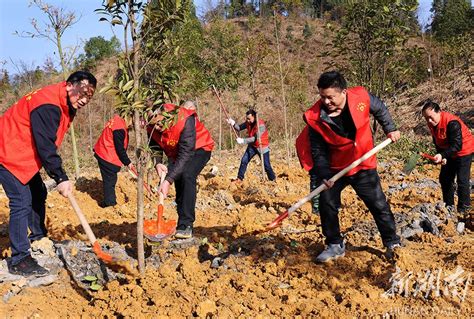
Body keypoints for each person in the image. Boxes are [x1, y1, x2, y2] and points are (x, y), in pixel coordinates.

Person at [297, 71, 401, 263]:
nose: (326, 101)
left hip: (363, 162)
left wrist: (390, 128)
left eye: (330, 97)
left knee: (378, 204)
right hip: (335, 168)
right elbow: (317, 149)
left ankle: (392, 242)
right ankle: (334, 245)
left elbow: (379, 109)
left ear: (344, 92)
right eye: (322, 97)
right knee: (327, 205)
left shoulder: (360, 97)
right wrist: (324, 174)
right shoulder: (314, 117)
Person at [0, 71, 97, 276]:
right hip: (6, 151)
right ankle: (20, 260)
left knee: (38, 192)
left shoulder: (62, 101)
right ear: (70, 85)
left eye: (89, 96)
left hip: (22, 154)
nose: (85, 99)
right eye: (83, 93)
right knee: (21, 200)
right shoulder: (49, 104)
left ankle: (38, 238)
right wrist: (60, 177)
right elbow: (46, 146)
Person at [148, 101, 214, 239]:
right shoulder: (150, 125)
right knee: (178, 179)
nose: (158, 128)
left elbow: (186, 154)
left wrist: (167, 181)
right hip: (176, 153)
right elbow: (154, 145)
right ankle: (181, 222)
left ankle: (186, 224)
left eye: (160, 124)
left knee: (187, 175)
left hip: (199, 147)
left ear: (166, 115)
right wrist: (158, 163)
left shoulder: (185, 119)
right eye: (154, 125)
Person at [421, 100, 473, 213]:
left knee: (462, 180)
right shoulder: (432, 124)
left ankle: (464, 209)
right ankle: (448, 207)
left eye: (430, 117)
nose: (429, 120)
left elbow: (457, 145)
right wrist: (442, 156)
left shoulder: (452, 123)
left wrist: (443, 154)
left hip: (464, 151)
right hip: (449, 152)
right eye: (426, 118)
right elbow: (437, 141)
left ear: (439, 112)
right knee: (445, 178)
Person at [93, 115, 134, 207]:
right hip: (107, 155)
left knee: (109, 180)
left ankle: (107, 201)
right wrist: (128, 162)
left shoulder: (118, 121)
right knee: (110, 181)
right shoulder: (119, 128)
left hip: (104, 151)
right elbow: (120, 149)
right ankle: (110, 204)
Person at [226, 110, 276, 182]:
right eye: (247, 118)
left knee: (266, 165)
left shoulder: (261, 125)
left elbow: (255, 138)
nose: (247, 120)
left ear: (254, 117)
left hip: (262, 146)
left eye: (249, 118)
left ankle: (273, 179)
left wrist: (243, 140)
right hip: (252, 146)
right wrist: (233, 123)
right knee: (244, 160)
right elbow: (239, 128)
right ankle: (239, 178)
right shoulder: (248, 123)